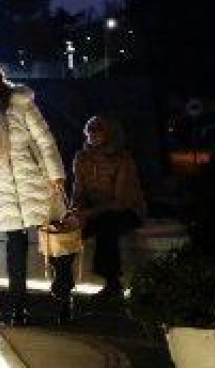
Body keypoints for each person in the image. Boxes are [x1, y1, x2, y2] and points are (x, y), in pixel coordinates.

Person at [0, 57, 70, 325]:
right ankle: (17, 308)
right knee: (14, 249)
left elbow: (45, 139)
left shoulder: (20, 102)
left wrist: (56, 173)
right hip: (2, 187)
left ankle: (63, 296)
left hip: (34, 180)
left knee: (55, 242)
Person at [70, 116, 146, 299]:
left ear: (108, 134)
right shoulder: (82, 158)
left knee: (107, 226)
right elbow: (78, 191)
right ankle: (63, 281)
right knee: (67, 230)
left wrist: (89, 213)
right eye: (90, 132)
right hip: (94, 211)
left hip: (126, 210)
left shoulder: (122, 159)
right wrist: (75, 211)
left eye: (98, 132)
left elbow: (121, 200)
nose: (92, 136)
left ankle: (112, 283)